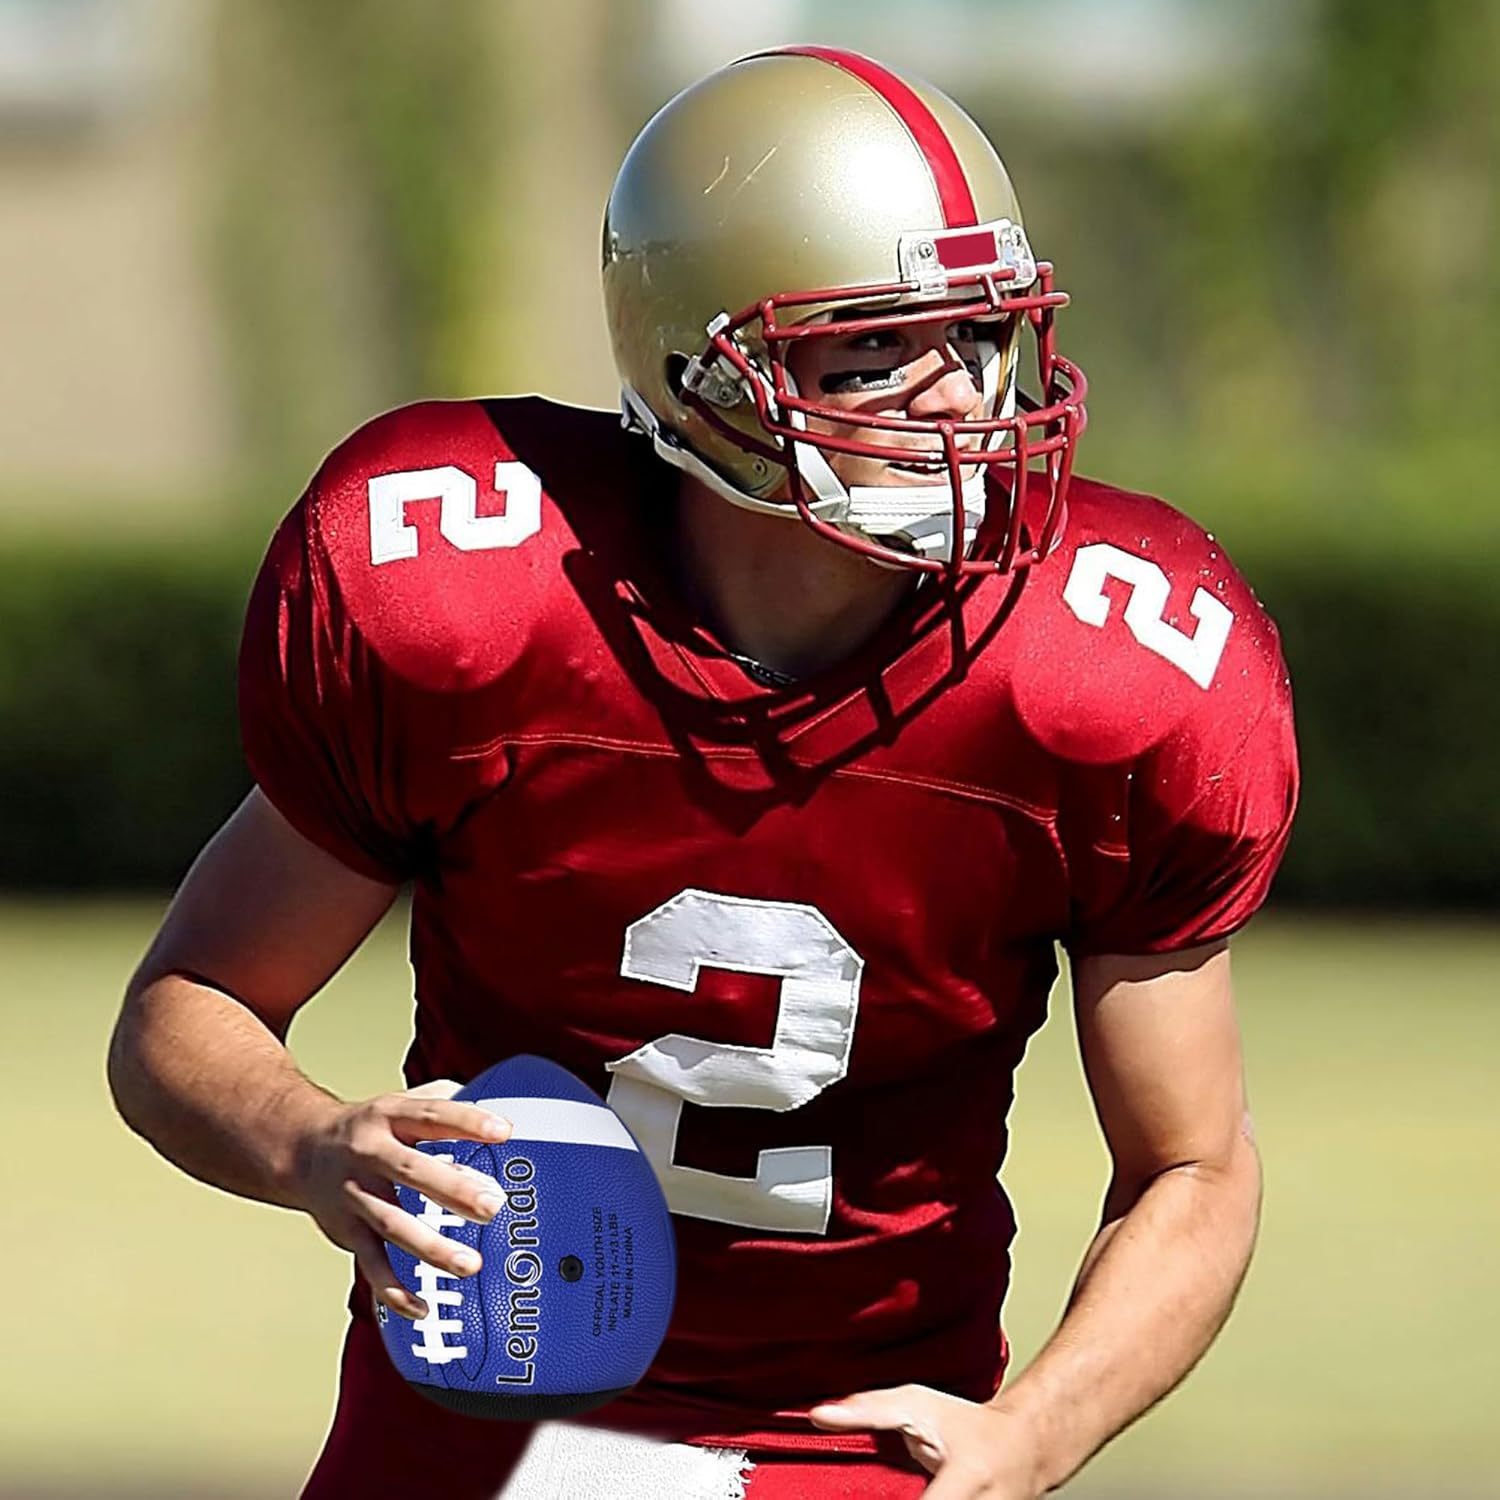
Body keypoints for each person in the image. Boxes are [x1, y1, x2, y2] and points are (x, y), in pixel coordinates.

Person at [107, 44, 1297, 1500]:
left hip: (861, 1435)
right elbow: (189, 1008)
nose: (955, 405)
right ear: (701, 377)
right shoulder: (469, 606)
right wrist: (309, 1146)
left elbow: (1193, 1165)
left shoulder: (1105, 670)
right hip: (478, 1417)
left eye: (979, 339)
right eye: (872, 352)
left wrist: (1036, 1427)